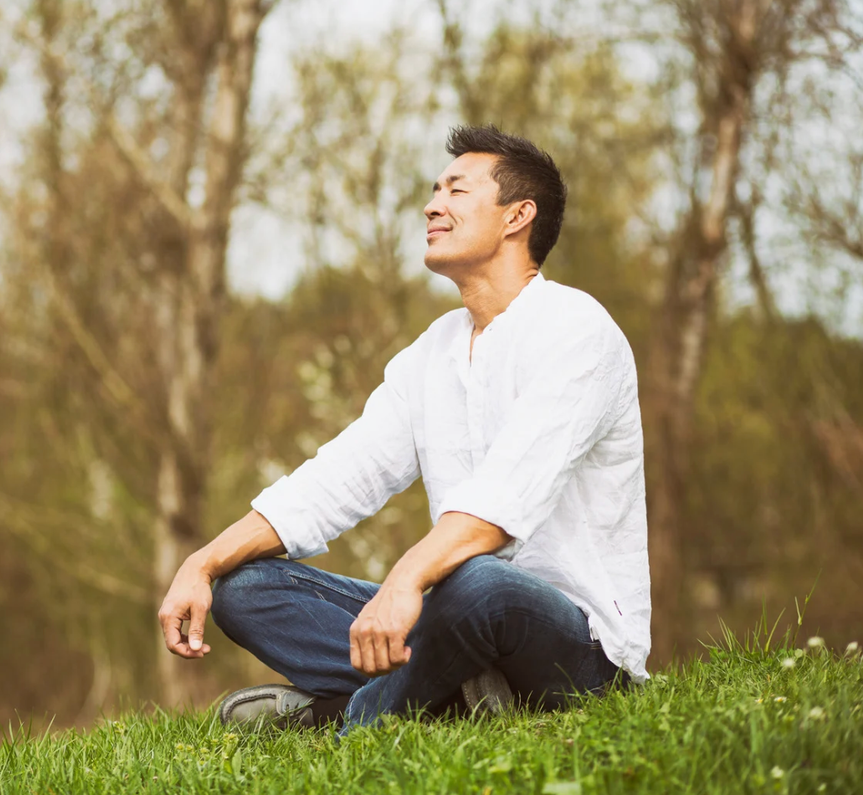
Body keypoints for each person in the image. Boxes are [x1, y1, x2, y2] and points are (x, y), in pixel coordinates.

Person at [157, 124, 650, 738]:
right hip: (452, 618)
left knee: (479, 581)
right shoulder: (433, 353)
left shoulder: (578, 330)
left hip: (576, 651)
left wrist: (406, 581)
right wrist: (202, 565)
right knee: (246, 586)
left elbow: (500, 505)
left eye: (456, 190)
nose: (431, 204)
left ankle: (347, 721)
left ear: (517, 217)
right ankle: (455, 696)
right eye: (434, 189)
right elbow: (337, 479)